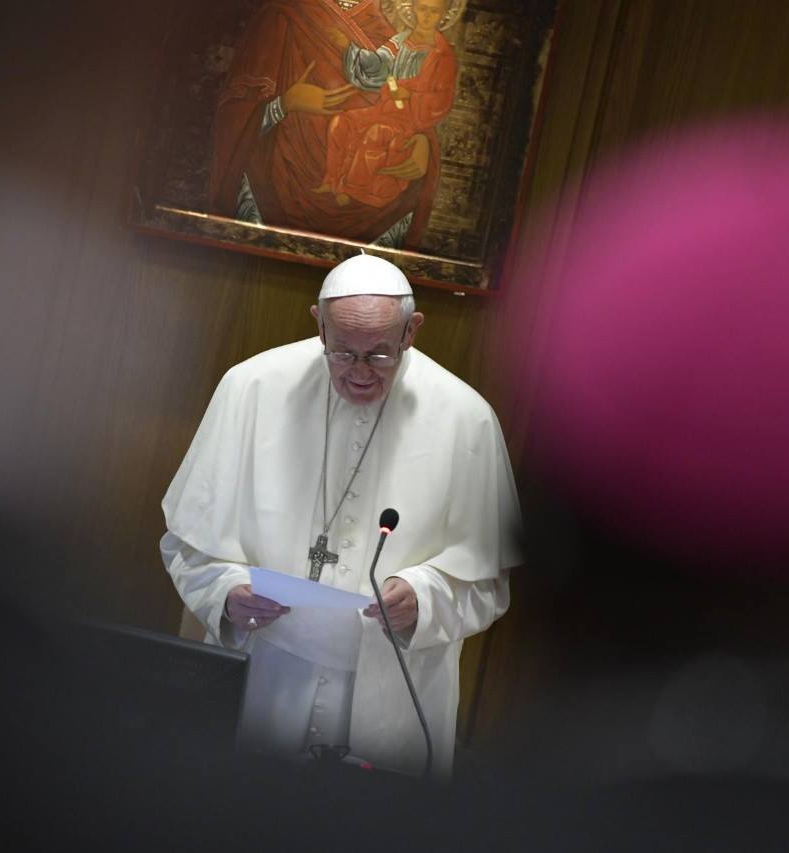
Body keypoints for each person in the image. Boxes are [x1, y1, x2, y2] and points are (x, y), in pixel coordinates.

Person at [161, 253, 522, 777]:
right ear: (318, 323)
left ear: (411, 331)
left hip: (393, 689)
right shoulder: (250, 388)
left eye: (379, 355)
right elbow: (188, 543)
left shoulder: (466, 419)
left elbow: (489, 581)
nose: (357, 372)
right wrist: (224, 593)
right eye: (341, 352)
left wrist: (424, 598)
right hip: (264, 673)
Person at [210, 0, 443, 248]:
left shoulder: (395, 37)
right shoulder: (283, 16)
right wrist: (286, 103)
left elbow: (408, 105)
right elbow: (233, 120)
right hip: (272, 189)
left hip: (368, 206)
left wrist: (422, 144)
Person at [315, 0, 458, 208]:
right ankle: (332, 181)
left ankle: (352, 190)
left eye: (434, 11)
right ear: (413, 9)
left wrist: (410, 94)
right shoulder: (400, 41)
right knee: (341, 122)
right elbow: (377, 66)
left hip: (412, 119)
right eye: (422, 9)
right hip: (385, 109)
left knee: (376, 132)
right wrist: (349, 47)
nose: (426, 16)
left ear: (443, 15)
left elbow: (442, 100)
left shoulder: (443, 55)